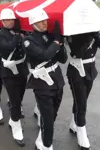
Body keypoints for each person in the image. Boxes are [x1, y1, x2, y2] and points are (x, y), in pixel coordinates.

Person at [23, 9, 67, 150]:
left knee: (52, 115)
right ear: (33, 24)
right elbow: (44, 56)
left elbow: (63, 59)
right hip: (42, 82)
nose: (44, 23)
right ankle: (46, 146)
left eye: (45, 20)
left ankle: (42, 139)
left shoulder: (49, 36)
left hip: (57, 79)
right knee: (47, 119)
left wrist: (61, 43)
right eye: (40, 22)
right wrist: (56, 42)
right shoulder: (28, 41)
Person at [66, 31, 100, 150]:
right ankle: (81, 132)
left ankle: (74, 123)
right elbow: (78, 52)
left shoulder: (93, 33)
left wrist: (96, 34)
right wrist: (88, 37)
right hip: (77, 71)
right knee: (81, 103)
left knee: (81, 100)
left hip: (90, 70)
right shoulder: (73, 33)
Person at [0, 8, 28, 146]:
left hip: (21, 68)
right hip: (8, 71)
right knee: (14, 100)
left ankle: (13, 119)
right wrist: (17, 35)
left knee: (19, 97)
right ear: (2, 21)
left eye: (12, 20)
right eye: (7, 20)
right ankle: (16, 126)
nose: (10, 22)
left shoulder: (17, 32)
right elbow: (8, 47)